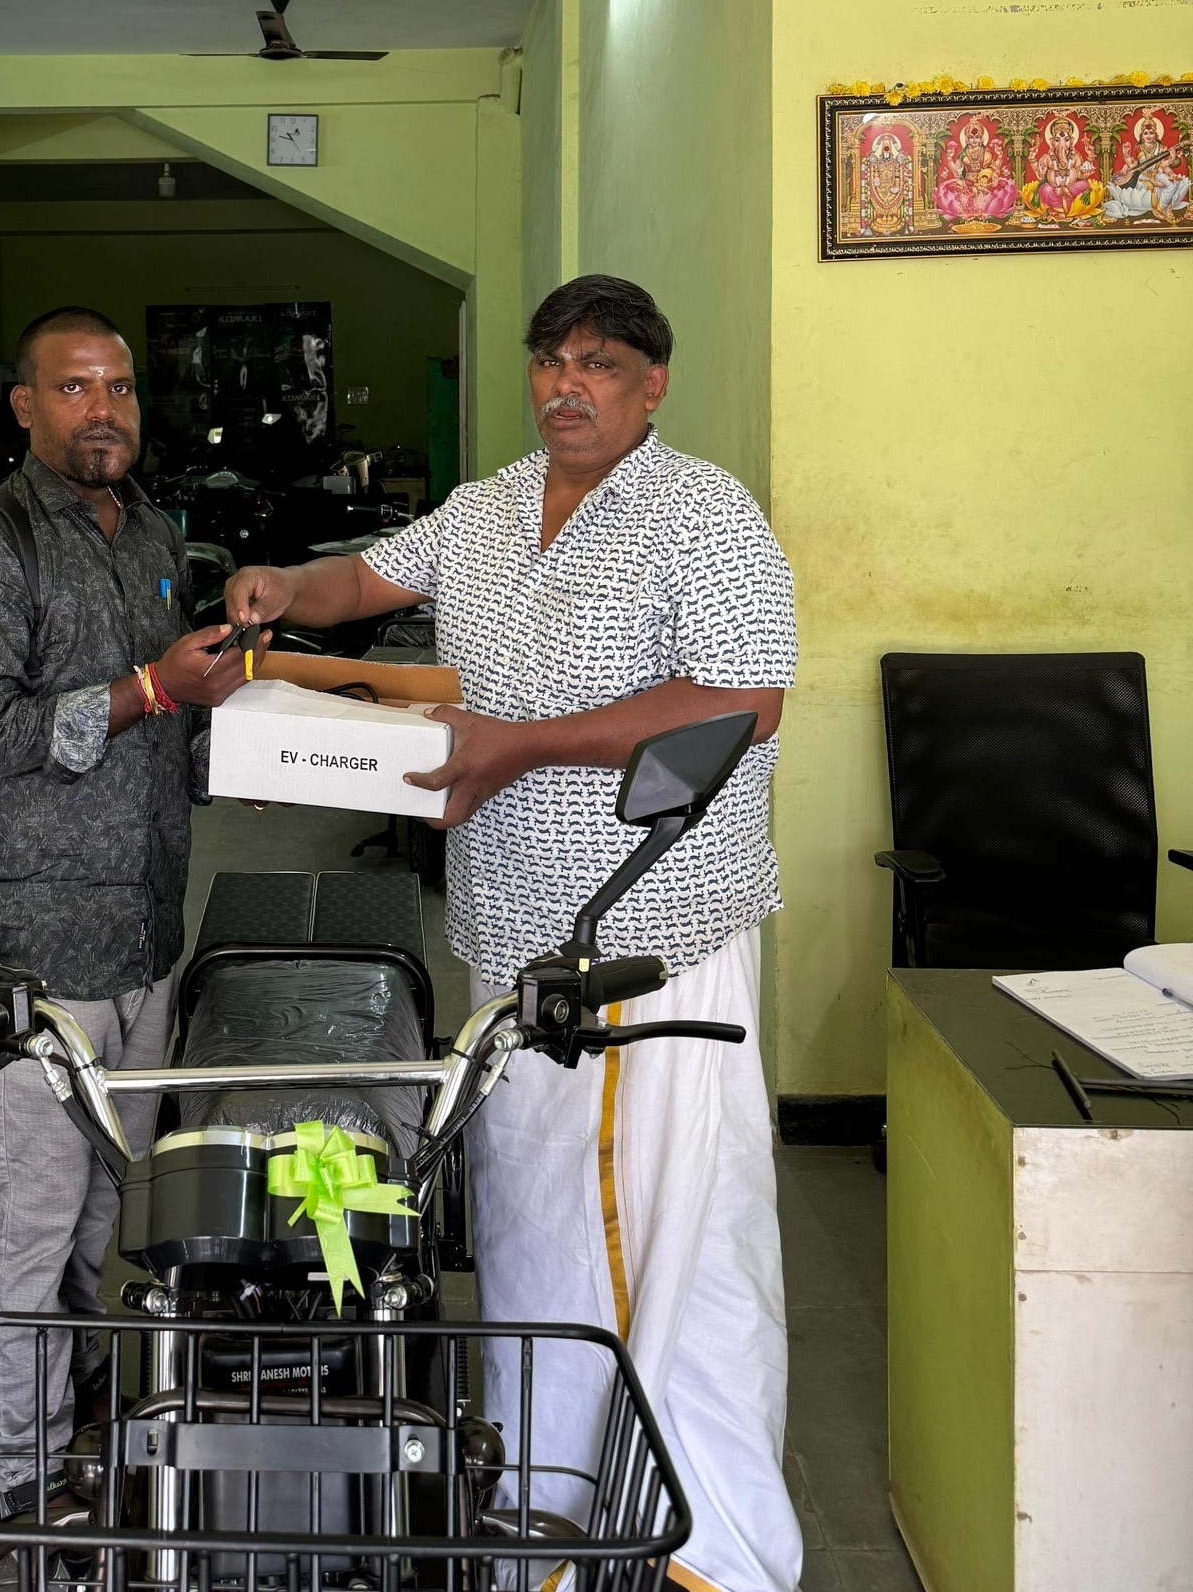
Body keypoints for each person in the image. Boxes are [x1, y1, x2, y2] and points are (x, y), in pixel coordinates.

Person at [225, 274, 801, 1592]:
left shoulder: (700, 511)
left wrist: (520, 745)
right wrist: (280, 586)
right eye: (550, 360)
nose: (566, 385)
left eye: (599, 364)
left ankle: (674, 1544)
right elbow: (363, 578)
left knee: (658, 1241)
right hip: (517, 941)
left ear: (652, 383)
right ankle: (556, 1522)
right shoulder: (489, 508)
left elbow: (743, 700)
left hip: (647, 939)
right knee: (545, 1236)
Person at [0, 305, 262, 1524]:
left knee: (107, 1207)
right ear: (26, 407)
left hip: (145, 929)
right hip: (41, 947)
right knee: (32, 1220)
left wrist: (237, 725)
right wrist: (151, 688)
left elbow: (173, 721)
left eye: (118, 386)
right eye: (73, 388)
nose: (103, 409)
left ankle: (79, 1430)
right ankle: (23, 1486)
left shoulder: (155, 532)